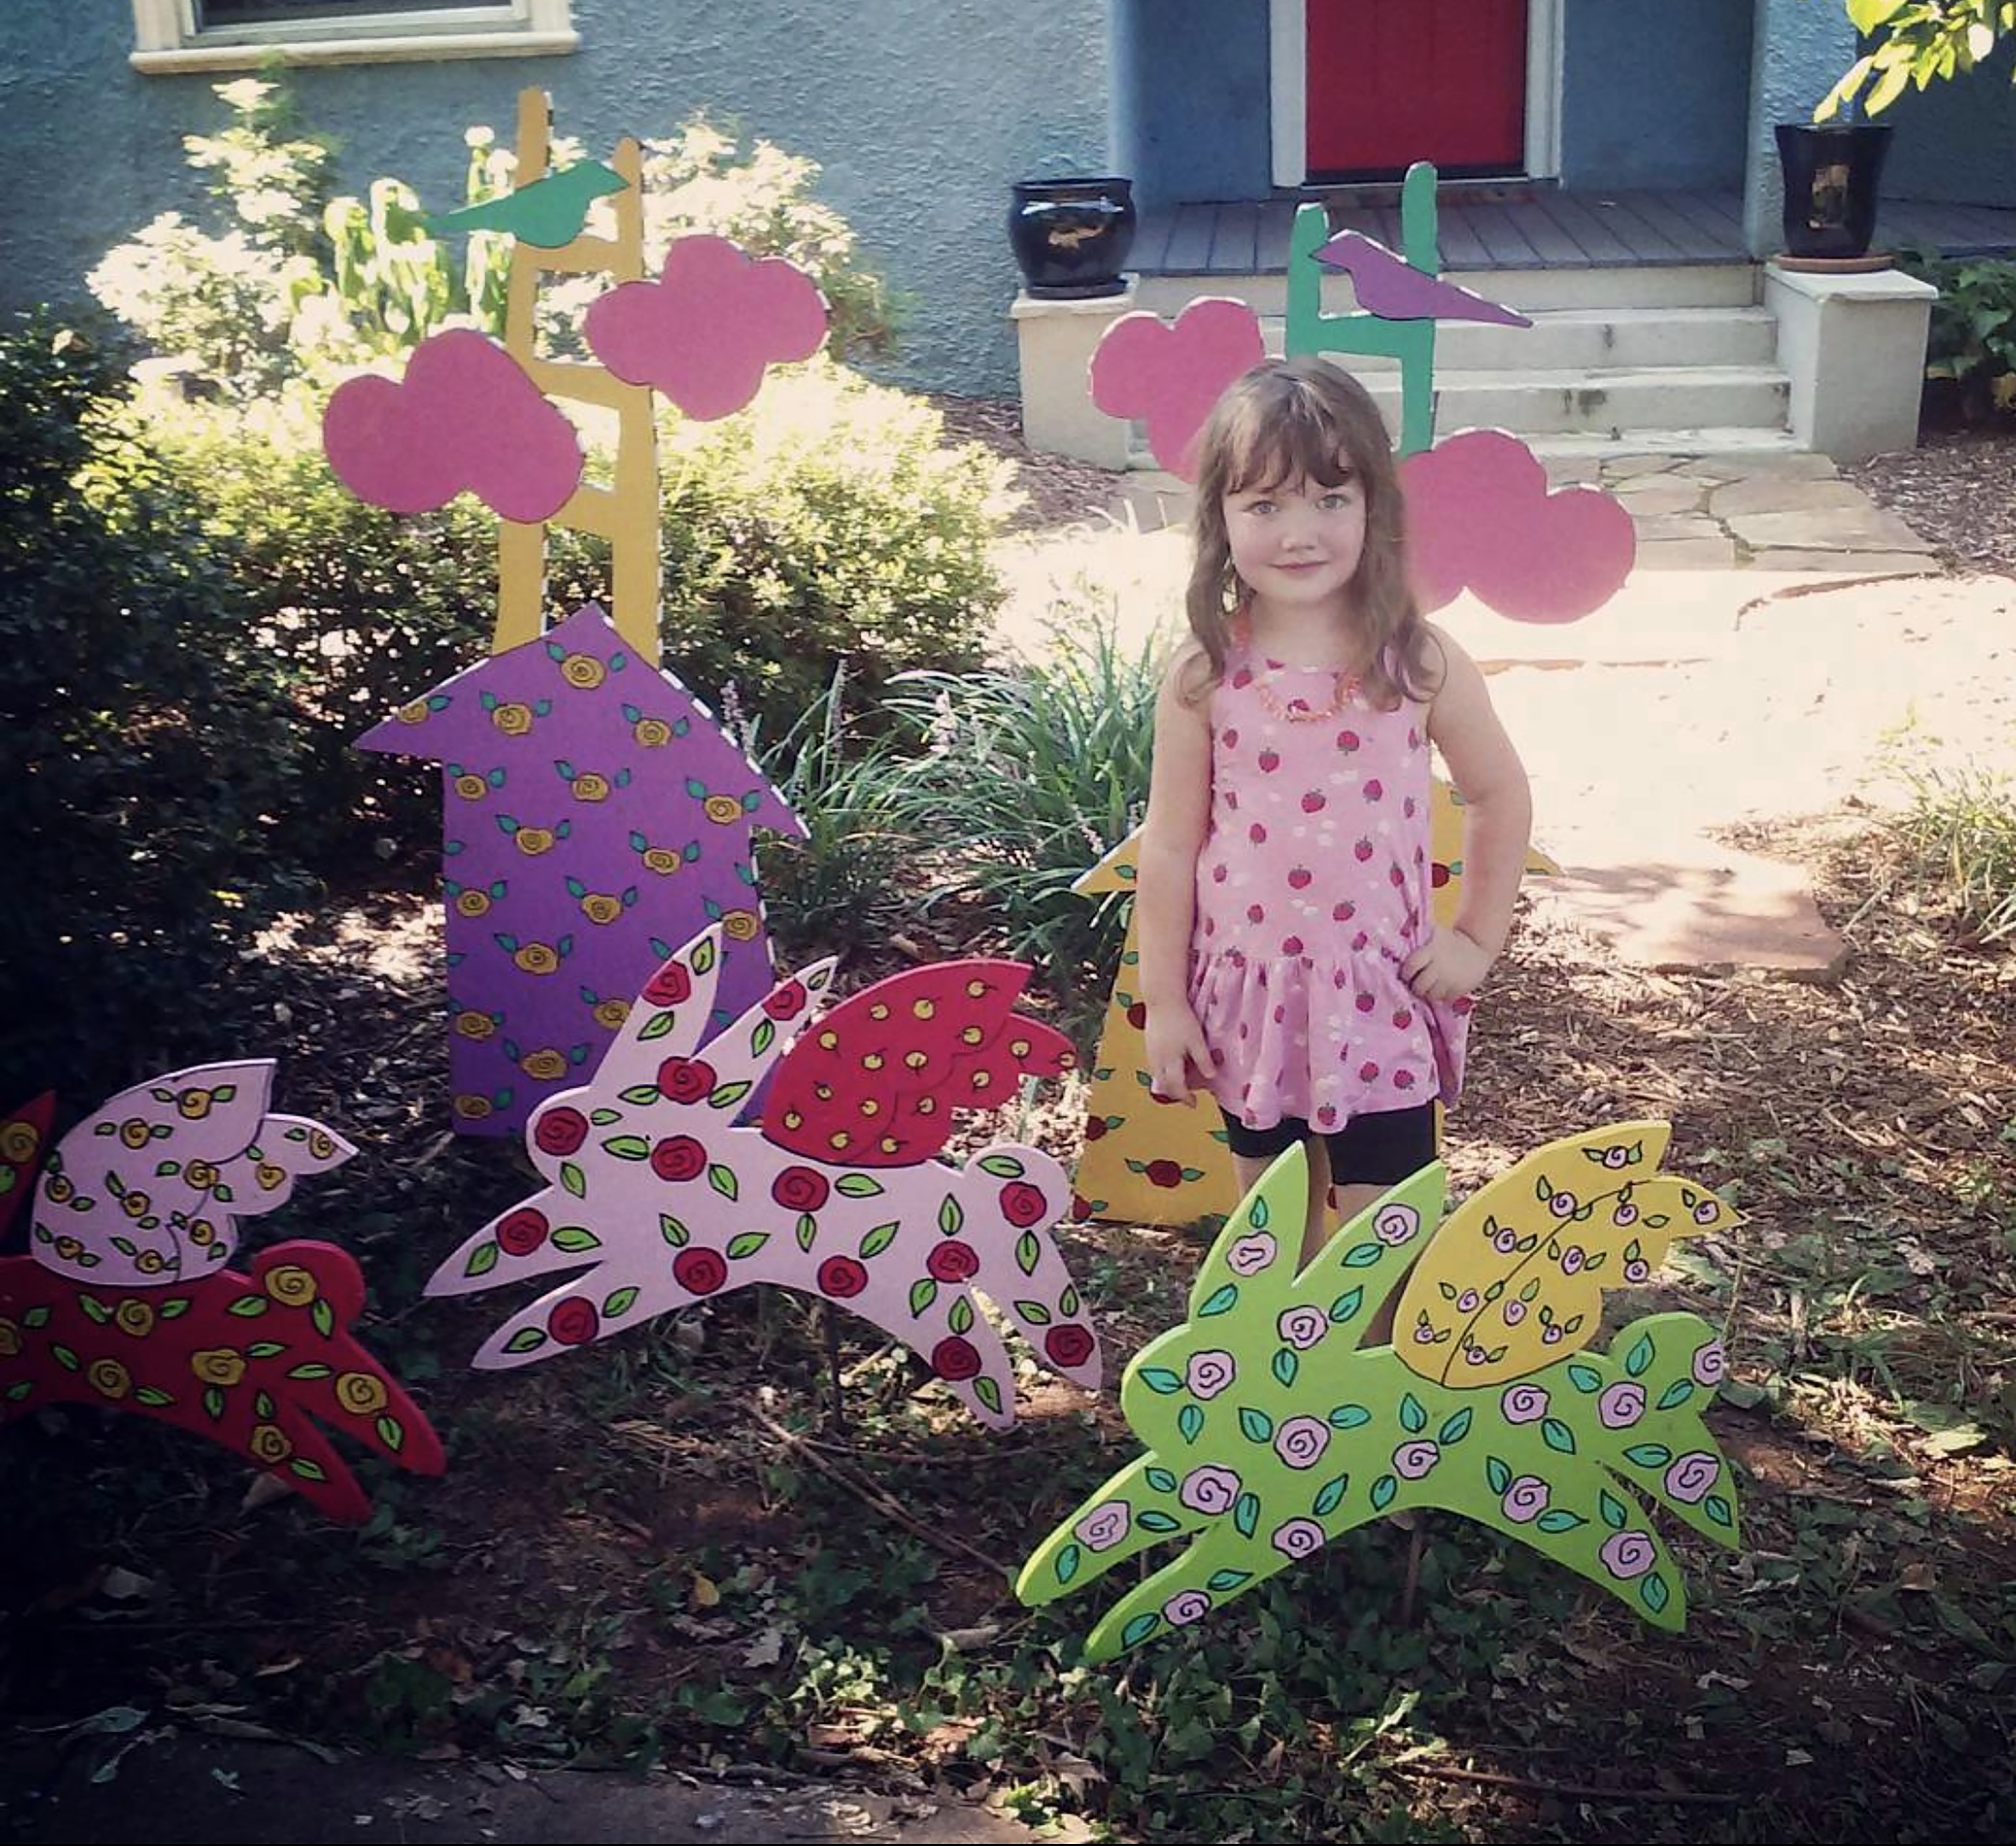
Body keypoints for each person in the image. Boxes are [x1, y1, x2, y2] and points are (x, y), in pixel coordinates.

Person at [1136, 356, 1533, 1276]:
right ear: (1220, 522)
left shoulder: (1418, 664)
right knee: (1271, 1239)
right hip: (1247, 1003)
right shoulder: (1204, 676)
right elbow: (1168, 846)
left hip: (1378, 996)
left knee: (1387, 1237)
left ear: (1373, 509)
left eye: (1328, 498)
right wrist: (1163, 1002)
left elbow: (1498, 792)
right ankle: (1277, 1397)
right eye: (1264, 505)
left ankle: (1379, 1401)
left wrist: (1476, 936)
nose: (1298, 531)